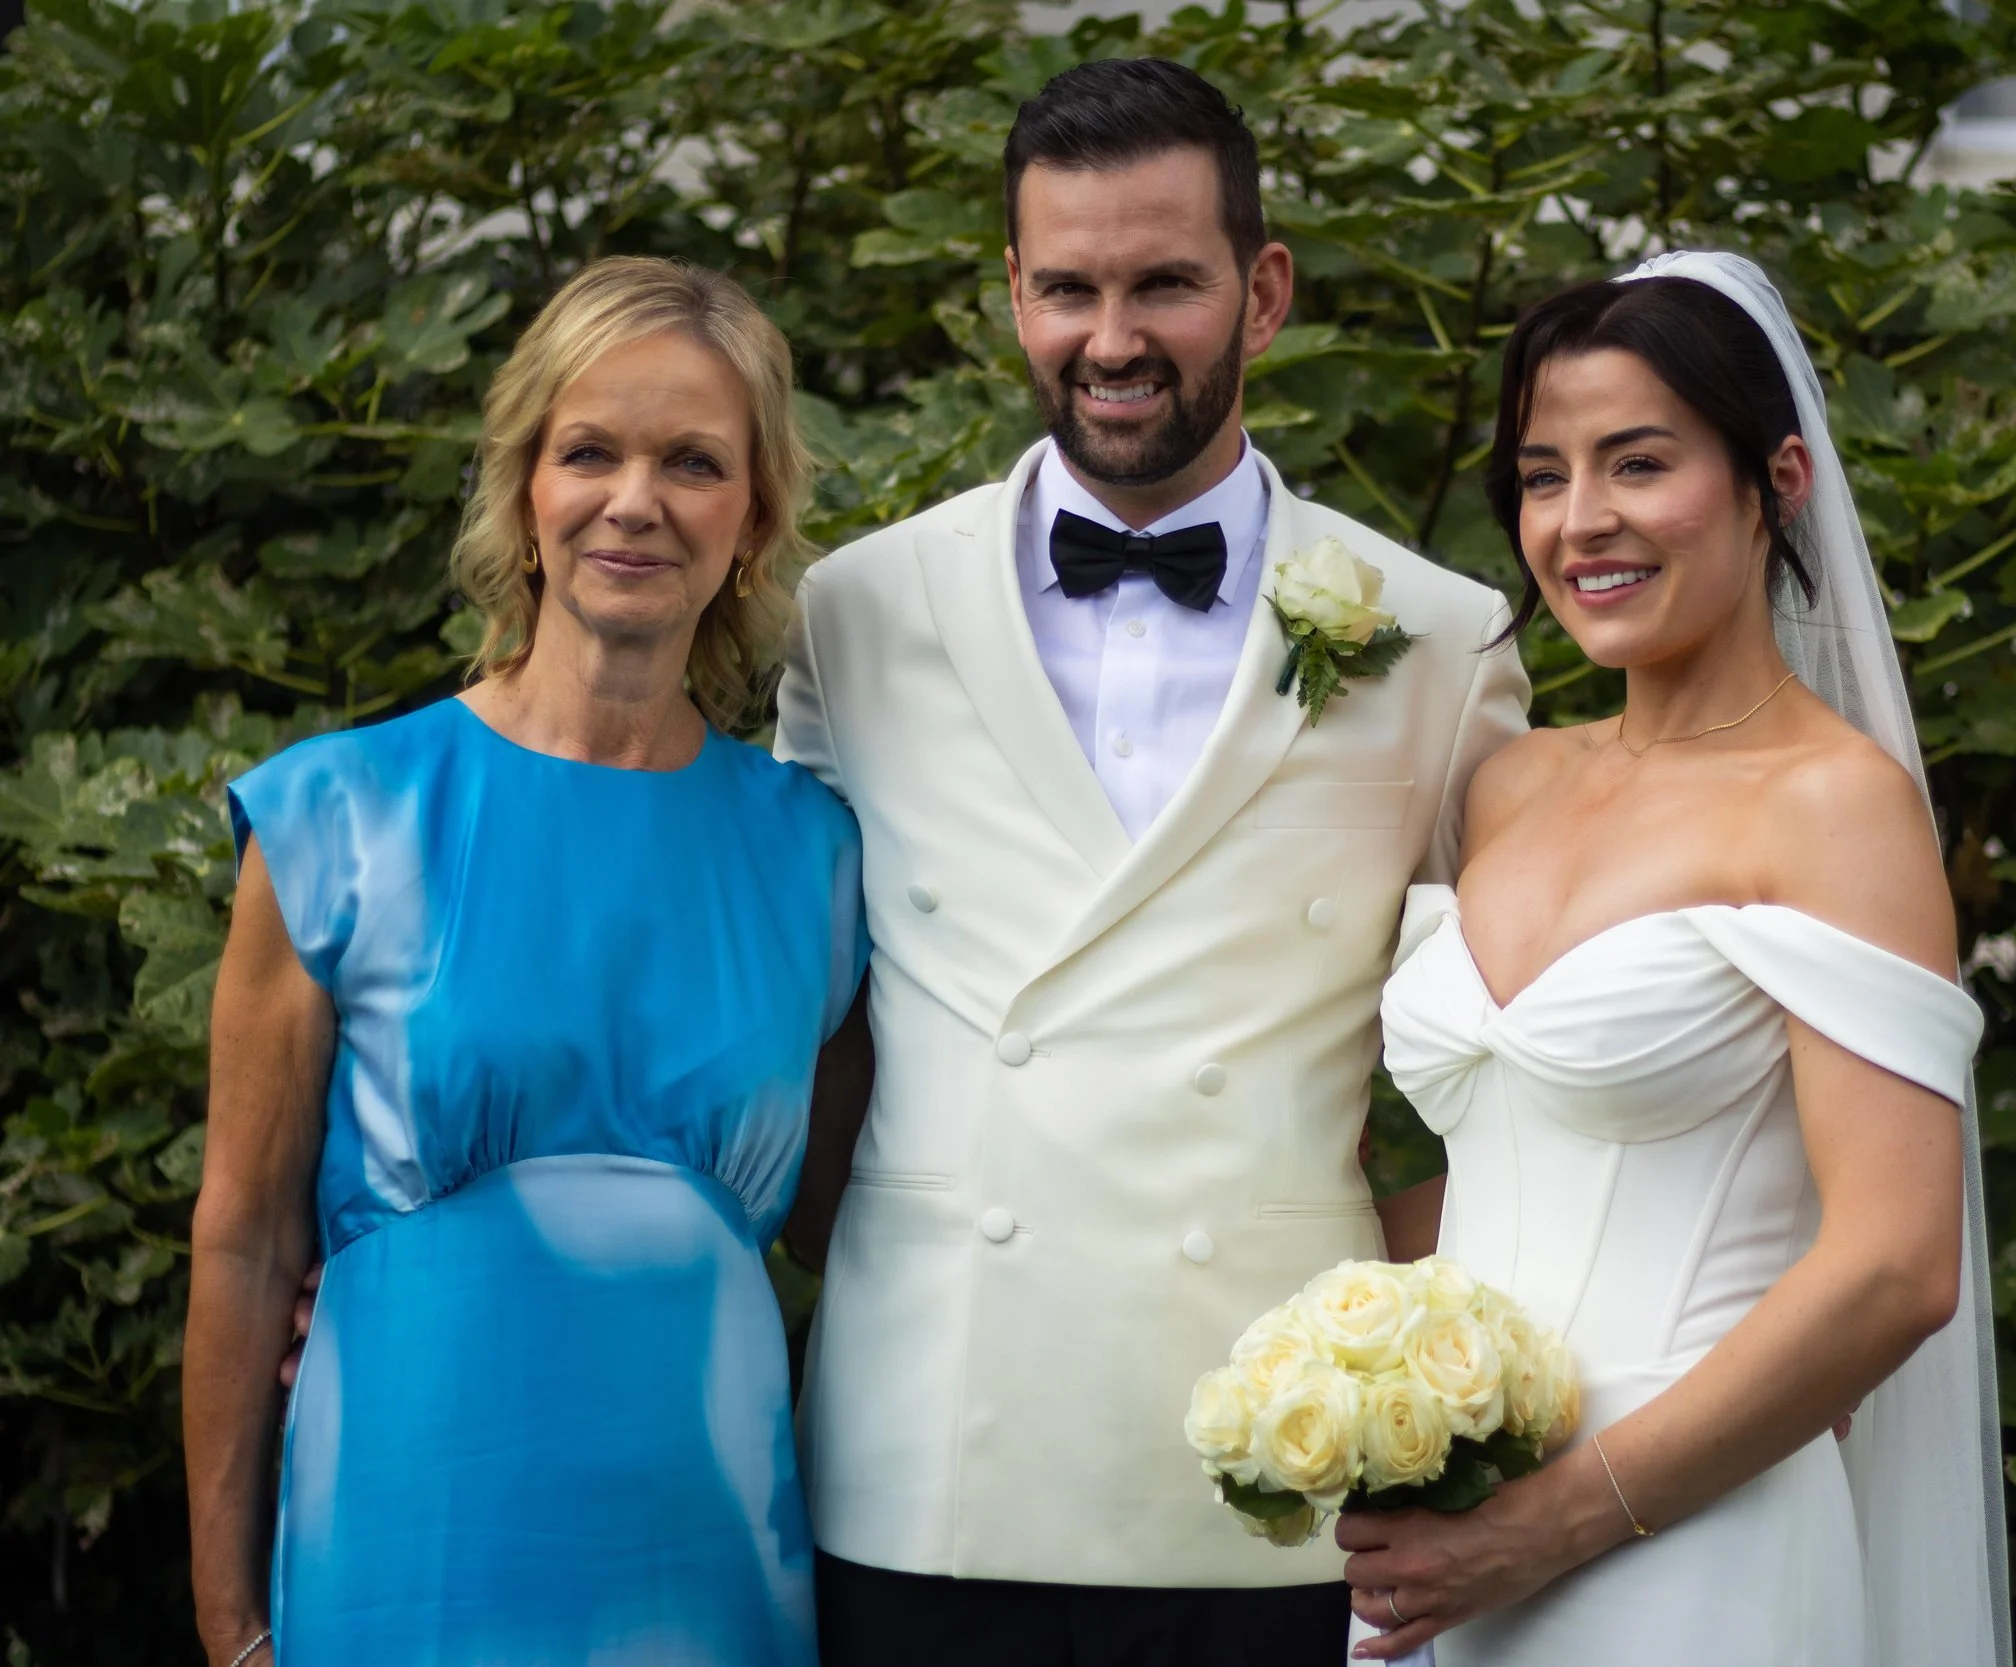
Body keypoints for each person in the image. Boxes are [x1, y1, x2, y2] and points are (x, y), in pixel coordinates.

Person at [772, 57, 1529, 1667]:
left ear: (1261, 294)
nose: (1111, 340)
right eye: (1068, 288)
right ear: (1012, 293)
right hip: (931, 1454)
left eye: (1164, 283)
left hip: (1276, 1477)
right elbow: (781, 999)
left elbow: (1504, 1068)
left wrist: (1475, 1406)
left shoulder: (1440, 640)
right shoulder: (854, 611)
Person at [182, 256, 868, 1667]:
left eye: (693, 460)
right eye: (588, 451)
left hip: (711, 1564)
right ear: (523, 487)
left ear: (751, 517)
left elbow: (855, 1228)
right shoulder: (337, 817)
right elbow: (245, 1241)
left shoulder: (819, 858)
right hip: (400, 1558)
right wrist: (229, 1618)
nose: (636, 499)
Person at [1338, 254, 2006, 1666]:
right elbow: (1536, 1153)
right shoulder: (1505, 785)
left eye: (1639, 463)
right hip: (1451, 1529)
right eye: (1541, 474)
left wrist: (1558, 1520)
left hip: (1693, 1534)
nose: (1582, 521)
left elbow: (1895, 1263)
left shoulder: (1835, 806)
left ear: (1778, 478)